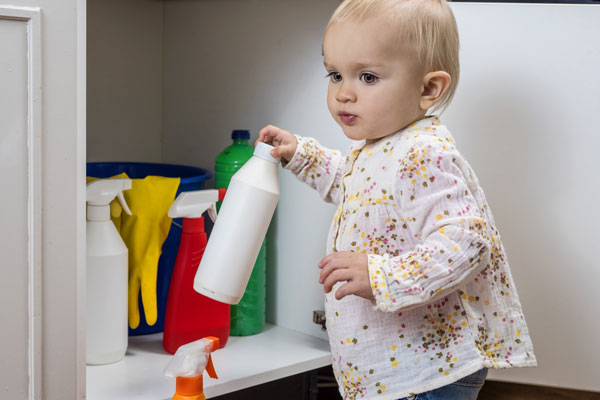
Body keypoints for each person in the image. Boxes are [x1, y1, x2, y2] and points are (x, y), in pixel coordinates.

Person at [258, 0, 536, 398]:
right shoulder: (381, 148)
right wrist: (301, 153)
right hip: (400, 369)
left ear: (428, 89)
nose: (343, 93)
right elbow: (356, 189)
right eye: (335, 74)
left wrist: (382, 275)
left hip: (426, 371)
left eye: (367, 77)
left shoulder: (421, 153)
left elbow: (467, 242)